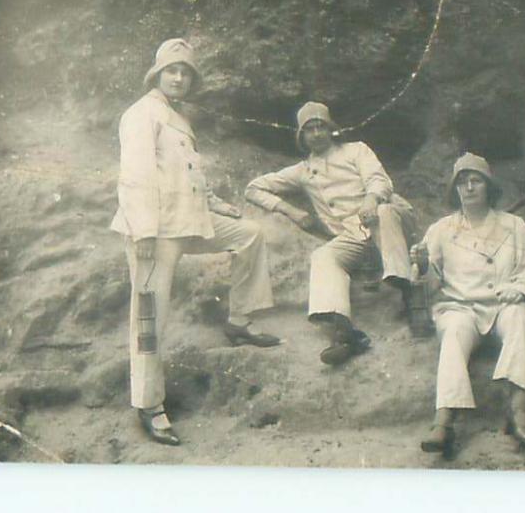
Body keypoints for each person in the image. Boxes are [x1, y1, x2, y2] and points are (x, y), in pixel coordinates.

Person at [111, 38, 278, 446]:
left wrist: (219, 205)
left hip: (189, 222)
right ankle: (149, 405)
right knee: (149, 317)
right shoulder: (141, 114)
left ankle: (239, 320)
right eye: (172, 70)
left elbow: (188, 178)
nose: (180, 77)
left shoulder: (179, 119)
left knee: (251, 235)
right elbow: (135, 177)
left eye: (185, 72)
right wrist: (145, 231)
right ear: (157, 74)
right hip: (153, 232)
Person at [245, 101, 419, 366]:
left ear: (331, 130)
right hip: (355, 237)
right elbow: (254, 188)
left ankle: (410, 293)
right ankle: (343, 332)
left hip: (387, 219)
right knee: (324, 255)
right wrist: (289, 210)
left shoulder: (356, 150)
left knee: (384, 213)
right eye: (309, 129)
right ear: (302, 137)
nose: (316, 133)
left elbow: (378, 179)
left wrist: (371, 201)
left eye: (321, 127)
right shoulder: (303, 171)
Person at [410, 153, 525, 455]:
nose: (469, 188)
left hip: (502, 305)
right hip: (460, 307)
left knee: (519, 316)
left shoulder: (514, 225)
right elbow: (429, 284)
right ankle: (444, 421)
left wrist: (520, 290)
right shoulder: (442, 229)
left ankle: (518, 410)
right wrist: (421, 265)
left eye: (476, 181)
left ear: (488, 187)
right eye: (462, 183)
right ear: (455, 190)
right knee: (454, 331)